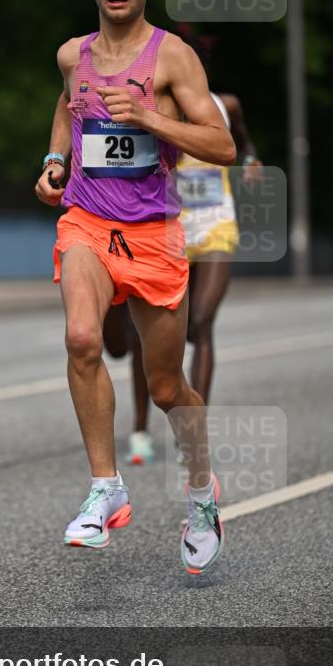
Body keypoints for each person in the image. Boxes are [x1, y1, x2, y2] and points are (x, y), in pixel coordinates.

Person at [35, 0, 235, 574]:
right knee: (82, 339)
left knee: (168, 386)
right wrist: (54, 162)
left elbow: (221, 143)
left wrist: (149, 115)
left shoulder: (173, 58)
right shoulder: (73, 54)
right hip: (87, 222)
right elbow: (67, 106)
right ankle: (104, 485)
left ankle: (202, 493)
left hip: (153, 235)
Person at [104, 83, 263, 465]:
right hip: (165, 229)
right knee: (141, 333)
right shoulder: (151, 110)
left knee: (202, 324)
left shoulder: (226, 106)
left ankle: (192, 431)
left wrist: (250, 162)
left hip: (215, 227)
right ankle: (141, 430)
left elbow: (241, 143)